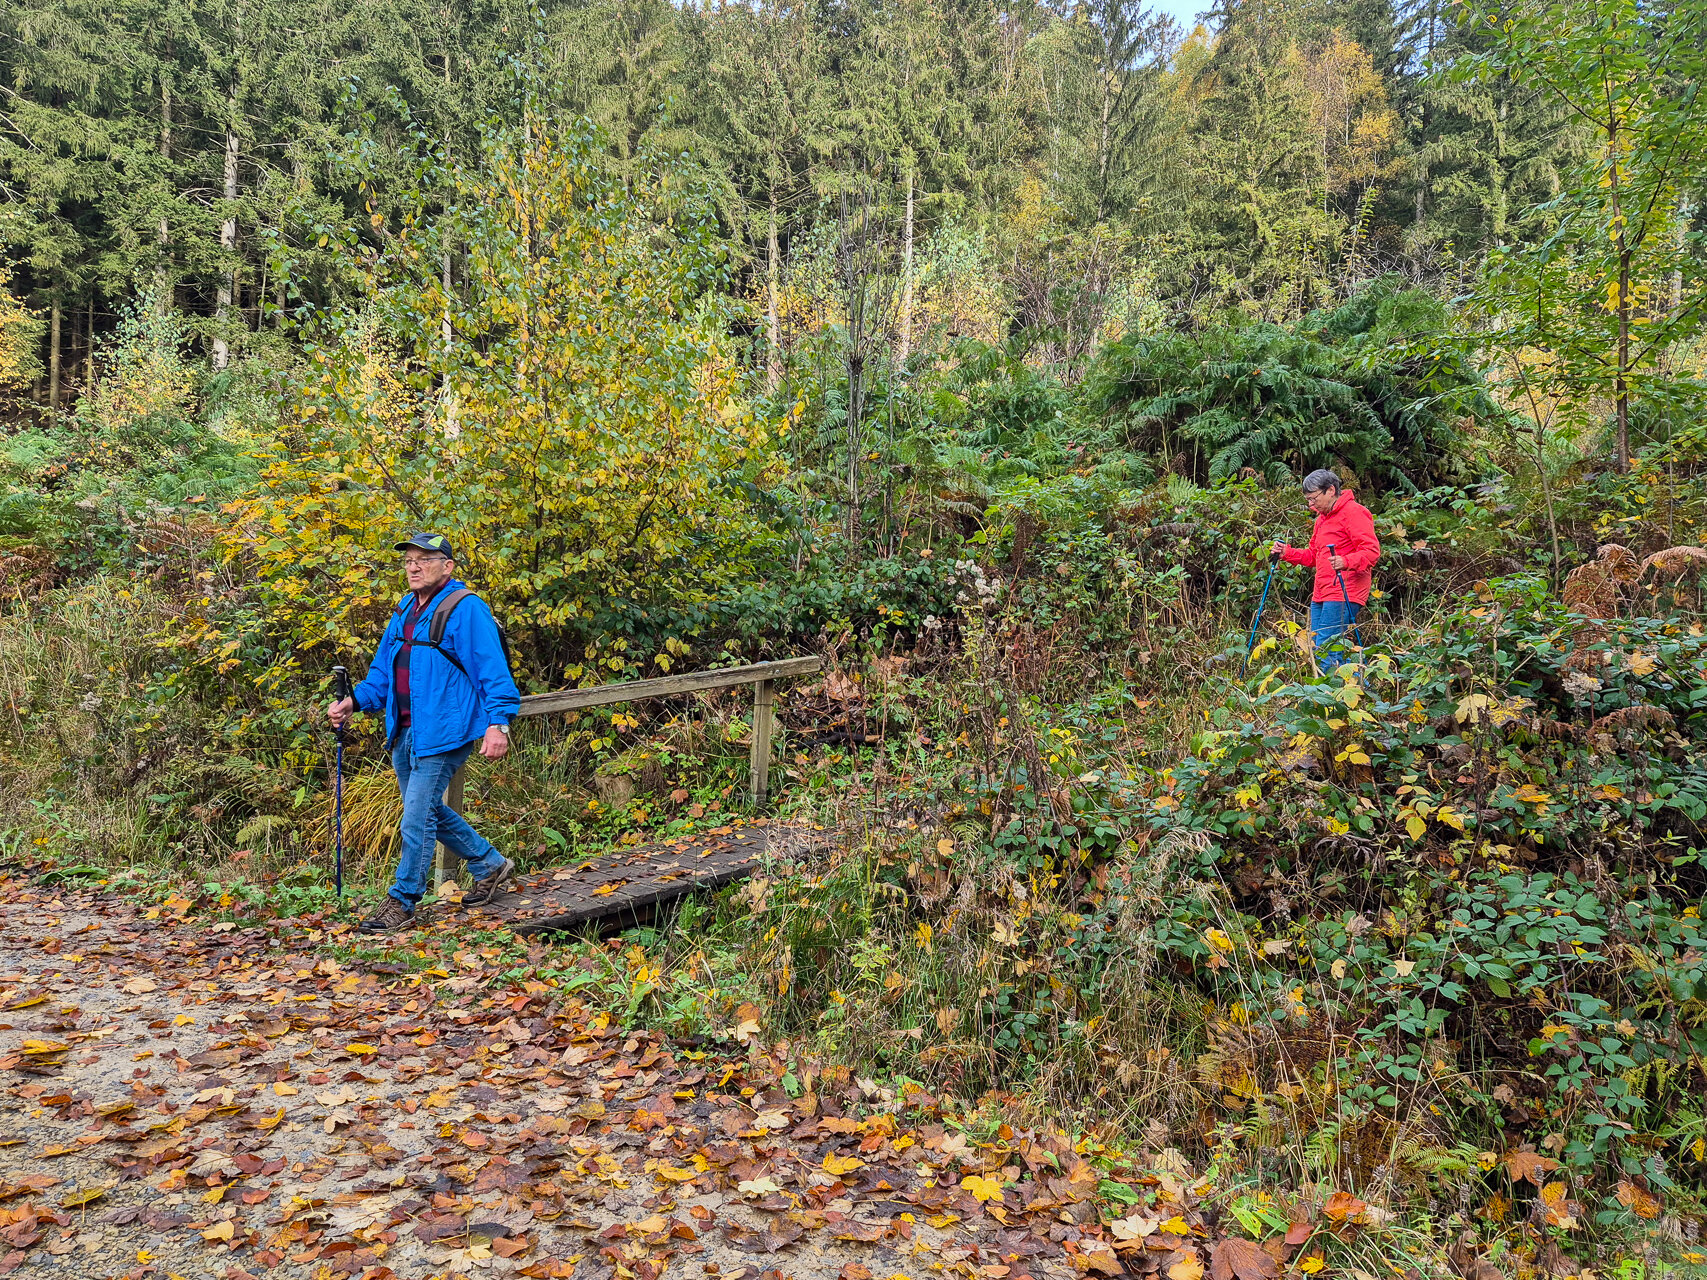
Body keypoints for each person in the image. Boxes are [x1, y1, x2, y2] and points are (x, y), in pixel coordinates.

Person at [327, 533, 520, 933]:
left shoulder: (467, 610)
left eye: (425, 559)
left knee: (415, 818)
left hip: (446, 731)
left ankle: (403, 900)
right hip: (404, 730)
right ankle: (490, 864)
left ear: (447, 566)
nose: (414, 566)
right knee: (428, 810)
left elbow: (493, 672)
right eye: (409, 560)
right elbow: (383, 671)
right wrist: (356, 701)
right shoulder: (404, 610)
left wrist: (498, 723)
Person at [1271, 470, 1380, 673]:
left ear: (1331, 490)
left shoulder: (1354, 512)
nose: (1311, 505)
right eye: (1308, 501)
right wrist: (1286, 552)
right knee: (1318, 646)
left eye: (1313, 499)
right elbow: (1313, 556)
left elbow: (1372, 552)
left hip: (1345, 589)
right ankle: (1358, 689)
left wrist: (1346, 561)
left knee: (1326, 648)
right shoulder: (1322, 519)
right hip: (1322, 591)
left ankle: (1334, 697)